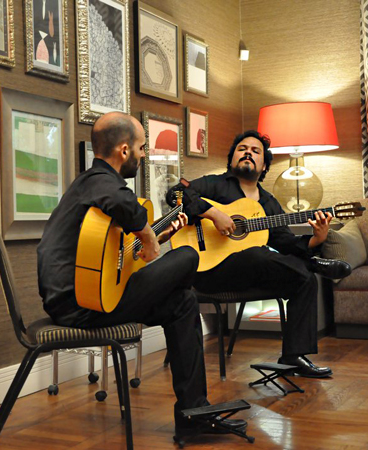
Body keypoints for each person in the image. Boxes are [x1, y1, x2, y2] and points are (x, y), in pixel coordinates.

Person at [37, 112, 247, 437]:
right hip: (82, 306)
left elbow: (108, 255)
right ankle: (194, 412)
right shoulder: (102, 183)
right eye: (141, 148)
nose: (144, 154)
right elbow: (124, 204)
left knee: (183, 301)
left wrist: (148, 242)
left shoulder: (86, 184)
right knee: (189, 255)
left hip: (86, 297)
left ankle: (193, 415)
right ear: (124, 151)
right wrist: (148, 236)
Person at [166, 130, 351, 378]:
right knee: (258, 254)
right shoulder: (214, 184)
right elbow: (176, 193)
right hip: (208, 271)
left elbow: (284, 242)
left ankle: (293, 356)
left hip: (250, 272)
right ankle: (316, 263)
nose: (248, 154)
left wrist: (318, 238)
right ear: (232, 159)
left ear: (264, 165)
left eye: (256, 151)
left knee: (305, 278)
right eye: (242, 149)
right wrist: (213, 214)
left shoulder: (268, 202)